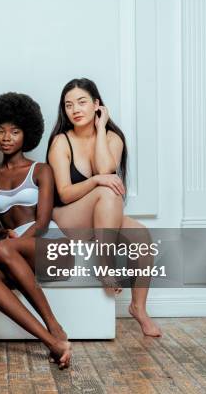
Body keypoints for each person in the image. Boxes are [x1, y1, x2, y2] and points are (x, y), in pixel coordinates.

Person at [46, 78, 162, 337]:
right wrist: (97, 180)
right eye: (68, 105)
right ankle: (105, 264)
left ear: (97, 105)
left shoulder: (112, 137)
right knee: (106, 189)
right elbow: (64, 194)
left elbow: (106, 169)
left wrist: (100, 131)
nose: (75, 109)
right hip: (68, 216)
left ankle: (138, 308)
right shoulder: (60, 142)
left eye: (82, 102)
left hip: (102, 213)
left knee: (142, 237)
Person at [0, 92, 72, 368]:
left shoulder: (41, 170)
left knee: (1, 252)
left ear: (26, 134)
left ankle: (54, 325)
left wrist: (2, 248)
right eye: (1, 131)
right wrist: (0, 236)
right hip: (15, 253)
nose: (6, 137)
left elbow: (41, 224)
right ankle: (51, 342)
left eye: (14, 131)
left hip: (51, 246)